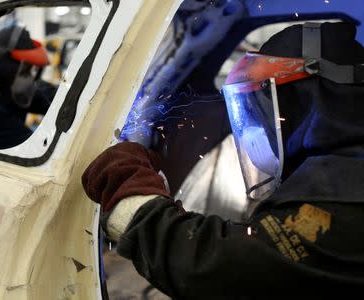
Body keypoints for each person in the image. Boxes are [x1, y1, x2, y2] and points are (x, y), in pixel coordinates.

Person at [82, 21, 364, 297]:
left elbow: (219, 268)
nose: (261, 129)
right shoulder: (340, 170)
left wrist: (132, 202)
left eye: (265, 106)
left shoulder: (343, 197)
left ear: (303, 97)